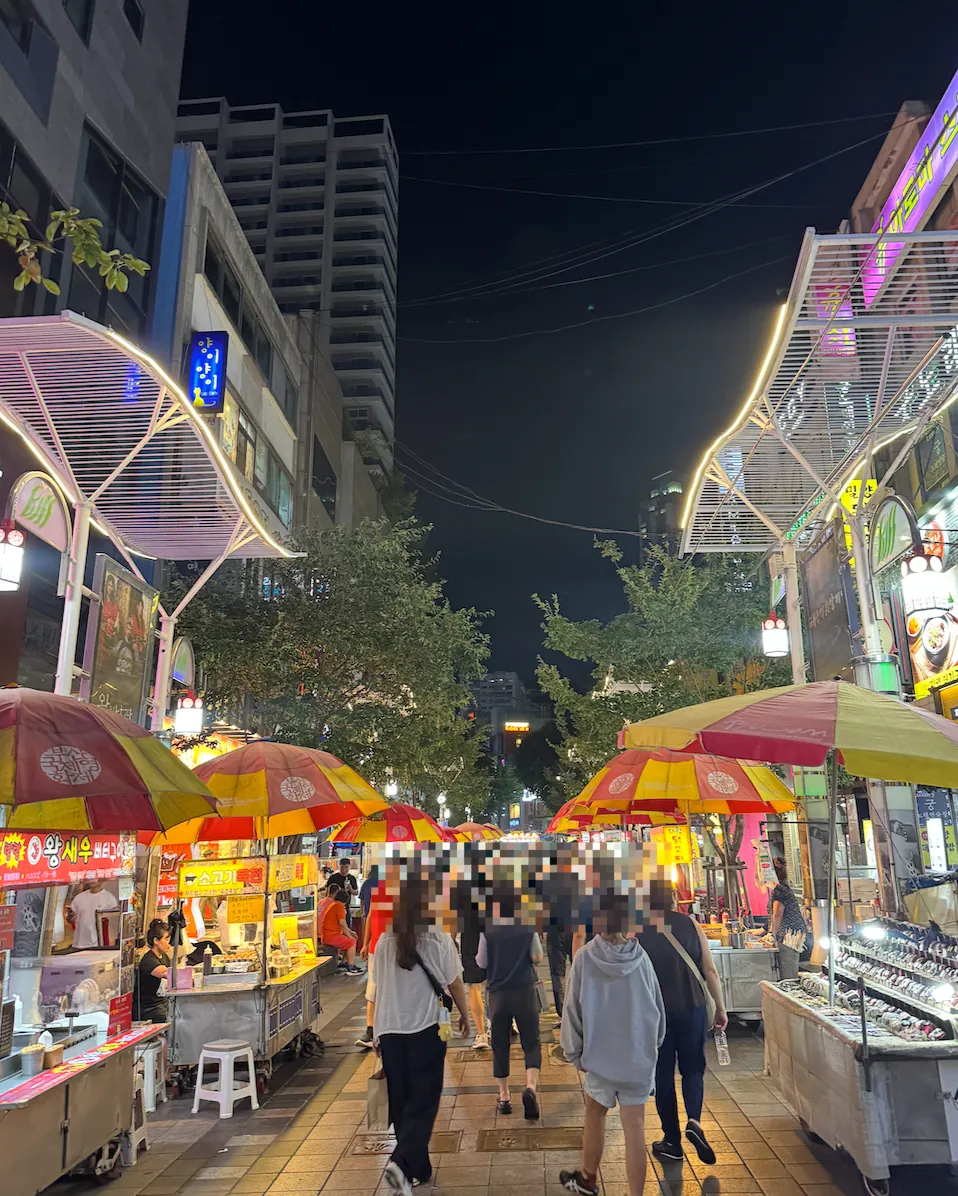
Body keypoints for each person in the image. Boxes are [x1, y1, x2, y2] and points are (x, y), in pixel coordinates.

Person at [559, 893, 665, 1196]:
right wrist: (652, 1047)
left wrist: (574, 1052)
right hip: (637, 1059)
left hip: (600, 1057)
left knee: (595, 1114)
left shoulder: (585, 958)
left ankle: (588, 1178)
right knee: (635, 1127)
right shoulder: (641, 959)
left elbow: (572, 1009)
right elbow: (657, 1009)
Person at [373, 875, 470, 1196]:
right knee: (424, 1101)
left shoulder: (384, 941)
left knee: (402, 1101)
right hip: (425, 1030)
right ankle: (401, 1163)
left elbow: (379, 988)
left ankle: (418, 1169)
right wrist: (466, 1016)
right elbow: (455, 983)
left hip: (390, 1032)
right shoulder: (437, 938)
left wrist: (376, 1032)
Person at [638, 878, 728, 1166]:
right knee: (693, 1069)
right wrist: (720, 1008)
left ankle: (672, 1141)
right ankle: (694, 1121)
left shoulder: (637, 930)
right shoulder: (690, 924)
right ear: (673, 898)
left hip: (656, 1014)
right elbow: (710, 970)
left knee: (662, 1075)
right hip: (693, 1008)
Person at [477, 888, 543, 1119]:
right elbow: (537, 957)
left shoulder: (488, 930)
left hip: (498, 994)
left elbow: (481, 961)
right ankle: (530, 1087)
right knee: (531, 1042)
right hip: (525, 991)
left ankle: (504, 1097)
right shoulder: (527, 927)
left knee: (500, 1044)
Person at [356, 865, 393, 1048]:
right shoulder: (380, 891)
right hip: (375, 948)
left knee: (391, 988)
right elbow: (370, 916)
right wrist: (365, 943)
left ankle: (388, 1029)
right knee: (373, 989)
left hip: (394, 949)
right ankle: (370, 1031)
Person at [769, 857, 807, 980]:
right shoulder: (783, 887)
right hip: (791, 932)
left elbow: (777, 914)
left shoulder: (779, 889)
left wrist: (771, 934)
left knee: (788, 972)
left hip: (790, 936)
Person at [318, 878, 361, 973]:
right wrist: (350, 935)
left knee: (349, 939)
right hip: (331, 936)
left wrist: (350, 932)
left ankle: (345, 962)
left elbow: (342, 925)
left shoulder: (334, 905)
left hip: (327, 935)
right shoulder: (339, 906)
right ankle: (351, 966)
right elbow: (342, 923)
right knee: (352, 942)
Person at [135, 920, 172, 1023]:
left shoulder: (164, 957)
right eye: (166, 938)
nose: (168, 942)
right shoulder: (149, 960)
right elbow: (165, 973)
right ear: (156, 940)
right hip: (150, 1008)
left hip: (162, 1002)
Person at [67, 879, 119, 949]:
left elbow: (113, 925)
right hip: (79, 944)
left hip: (99, 945)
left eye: (95, 877)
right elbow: (70, 920)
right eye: (90, 876)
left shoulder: (110, 899)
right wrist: (70, 916)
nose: (92, 879)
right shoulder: (78, 898)